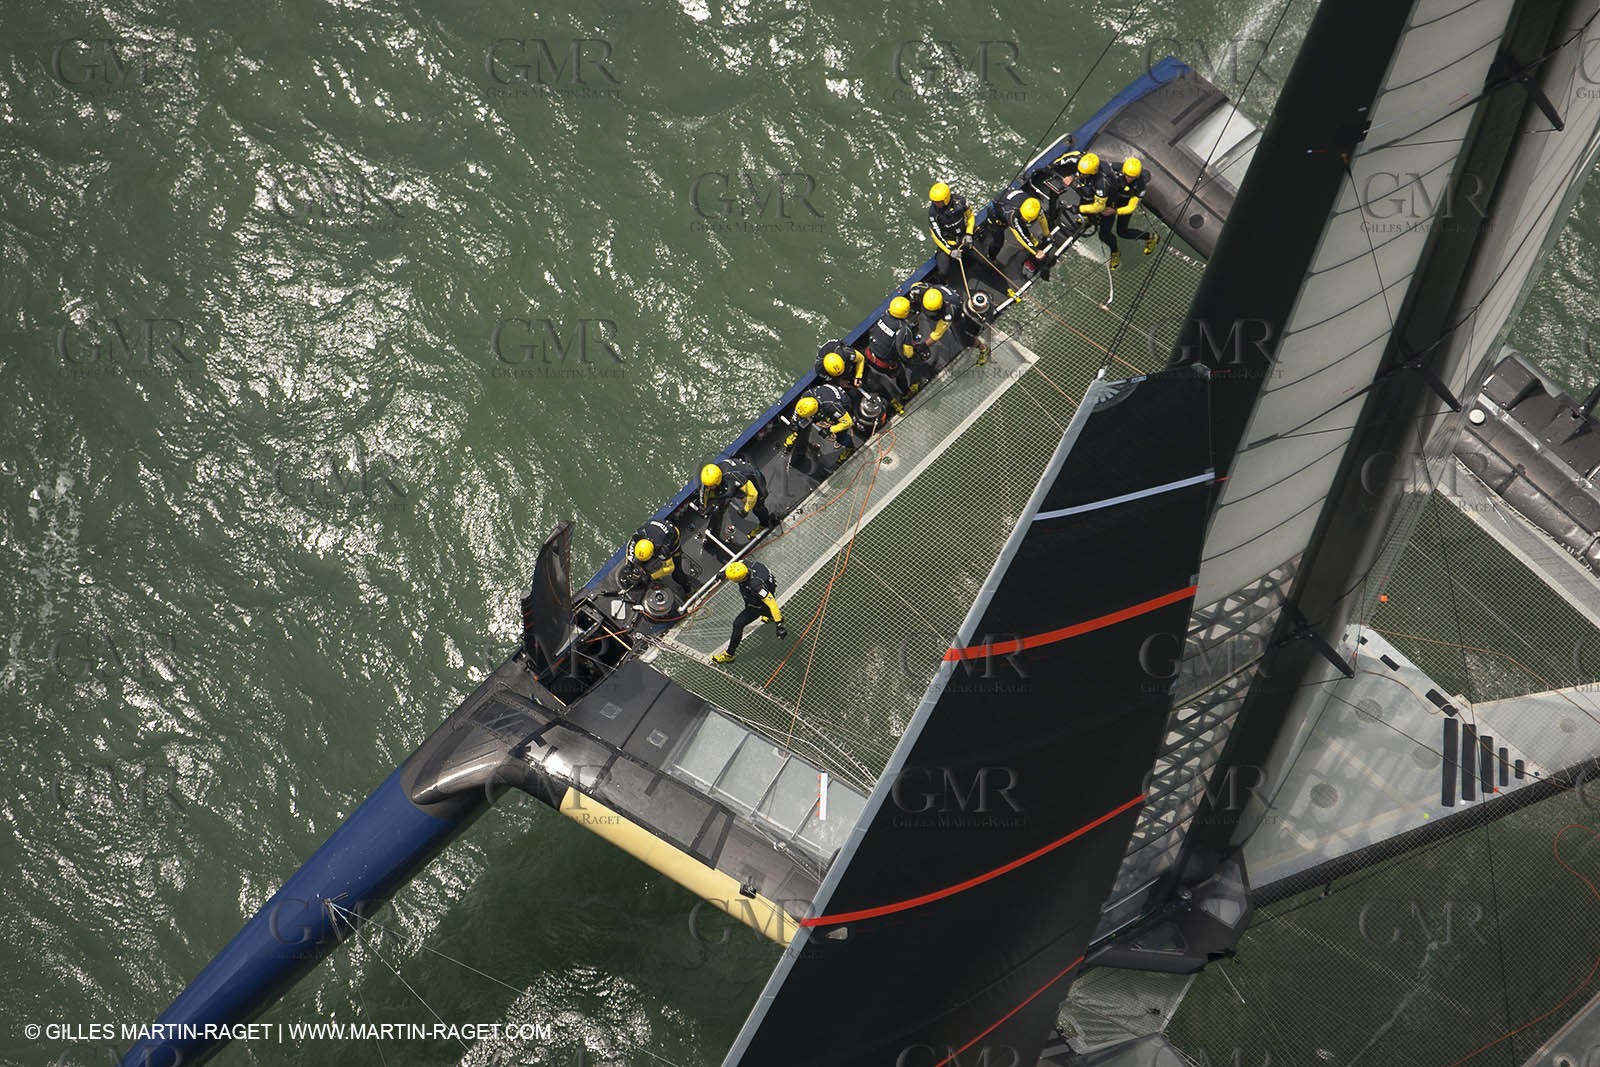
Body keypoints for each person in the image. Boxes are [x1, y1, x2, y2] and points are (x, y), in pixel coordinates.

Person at [1084, 156, 1156, 270]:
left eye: (1132, 177)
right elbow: (1101, 168)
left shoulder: (1140, 186)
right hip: (1112, 198)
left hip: (1124, 204)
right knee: (1104, 234)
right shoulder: (1115, 168)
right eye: (1127, 175)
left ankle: (1150, 237)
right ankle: (1115, 251)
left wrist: (1115, 211)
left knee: (1122, 232)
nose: (1129, 178)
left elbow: (1131, 207)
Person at [711, 560, 786, 663]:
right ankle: (771, 616)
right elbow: (738, 563)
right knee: (765, 609)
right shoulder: (748, 564)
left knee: (738, 624)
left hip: (757, 605)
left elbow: (771, 603)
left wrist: (779, 625)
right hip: (769, 586)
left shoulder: (755, 586)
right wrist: (724, 573)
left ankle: (729, 655)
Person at [909, 281, 988, 365]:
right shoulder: (922, 288)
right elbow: (914, 287)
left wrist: (924, 345)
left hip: (956, 309)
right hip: (943, 296)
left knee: (963, 339)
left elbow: (937, 334)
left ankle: (983, 348)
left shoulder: (948, 313)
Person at [864, 295, 918, 414]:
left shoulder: (882, 317)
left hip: (868, 355)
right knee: (901, 371)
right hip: (883, 365)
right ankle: (906, 393)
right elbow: (908, 354)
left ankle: (890, 398)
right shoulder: (903, 330)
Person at [700, 458, 774, 544]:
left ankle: (764, 524)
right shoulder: (711, 476)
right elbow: (705, 492)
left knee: (758, 506)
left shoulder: (733, 476)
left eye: (710, 486)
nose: (708, 488)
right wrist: (703, 507)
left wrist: (745, 510)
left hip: (754, 481)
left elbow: (753, 494)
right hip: (738, 482)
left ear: (718, 481)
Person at [786, 384, 860, 464]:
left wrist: (830, 430)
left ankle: (850, 448)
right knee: (802, 421)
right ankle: (796, 433)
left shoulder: (830, 406)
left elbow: (848, 422)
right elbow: (798, 410)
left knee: (840, 435)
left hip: (842, 404)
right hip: (824, 398)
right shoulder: (806, 396)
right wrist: (794, 421)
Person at [623, 518, 691, 595]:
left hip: (672, 540)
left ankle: (688, 590)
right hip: (656, 528)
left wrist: (651, 577)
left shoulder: (662, 549)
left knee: (677, 574)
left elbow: (670, 568)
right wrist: (629, 562)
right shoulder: (639, 534)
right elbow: (630, 545)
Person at [927, 182, 975, 284]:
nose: (936, 204)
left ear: (946, 198)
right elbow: (936, 236)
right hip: (947, 243)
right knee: (943, 271)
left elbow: (970, 216)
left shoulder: (961, 201)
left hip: (963, 238)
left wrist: (969, 234)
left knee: (981, 259)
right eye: (934, 202)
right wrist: (950, 251)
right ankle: (944, 284)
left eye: (938, 202)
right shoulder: (933, 213)